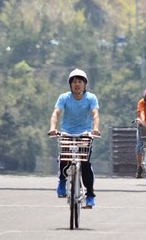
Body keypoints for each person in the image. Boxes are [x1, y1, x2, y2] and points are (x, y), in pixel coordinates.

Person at [48, 68, 101, 208]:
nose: (77, 84)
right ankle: (62, 180)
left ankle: (90, 195)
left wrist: (95, 129)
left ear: (85, 84)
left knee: (85, 164)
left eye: (80, 82)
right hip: (67, 133)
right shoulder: (64, 97)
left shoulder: (91, 98)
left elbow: (95, 114)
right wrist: (53, 128)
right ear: (70, 84)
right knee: (64, 157)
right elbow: (56, 113)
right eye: (74, 82)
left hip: (85, 134)